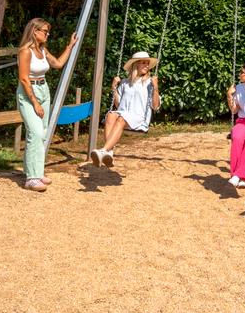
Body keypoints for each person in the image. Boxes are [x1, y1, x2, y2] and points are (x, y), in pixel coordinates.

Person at [16, 18, 77, 191]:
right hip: (29, 92)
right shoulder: (25, 51)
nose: (47, 34)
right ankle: (32, 179)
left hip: (43, 89)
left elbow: (58, 64)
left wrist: (70, 46)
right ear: (34, 31)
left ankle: (35, 171)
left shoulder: (42, 49)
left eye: (48, 31)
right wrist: (35, 102)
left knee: (41, 133)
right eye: (44, 31)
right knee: (35, 133)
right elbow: (24, 78)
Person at [90, 51, 161, 167]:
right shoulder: (124, 83)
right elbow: (119, 105)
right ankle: (109, 152)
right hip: (124, 114)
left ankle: (104, 151)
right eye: (143, 63)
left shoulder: (150, 83)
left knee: (121, 119)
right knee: (110, 115)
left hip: (139, 118)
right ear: (135, 65)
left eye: (147, 63)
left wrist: (156, 88)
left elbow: (155, 106)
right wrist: (114, 88)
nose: (147, 65)